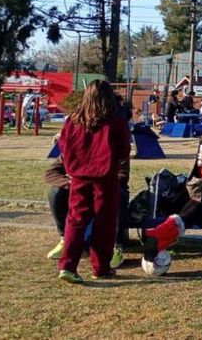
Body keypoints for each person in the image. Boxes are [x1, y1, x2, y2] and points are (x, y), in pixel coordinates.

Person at [54, 80, 130, 284]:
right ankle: (100, 267)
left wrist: (72, 167)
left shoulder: (74, 119)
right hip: (105, 179)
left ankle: (67, 265)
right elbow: (124, 149)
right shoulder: (115, 120)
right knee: (104, 224)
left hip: (78, 178)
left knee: (75, 221)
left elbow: (63, 144)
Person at [44, 149, 130, 269]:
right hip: (79, 189)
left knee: (119, 195)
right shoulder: (75, 148)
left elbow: (122, 176)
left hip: (106, 188)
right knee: (55, 192)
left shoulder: (114, 148)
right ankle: (65, 238)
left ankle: (116, 245)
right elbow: (50, 173)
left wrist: (96, 185)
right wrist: (70, 183)